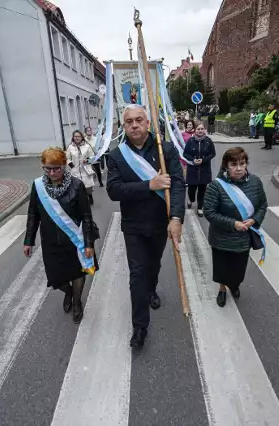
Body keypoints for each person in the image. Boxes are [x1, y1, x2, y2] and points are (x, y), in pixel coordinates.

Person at [106, 104, 185, 349]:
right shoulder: (117, 156)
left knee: (153, 265)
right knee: (137, 274)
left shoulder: (166, 150)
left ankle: (152, 289)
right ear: (124, 126)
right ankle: (140, 327)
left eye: (139, 120)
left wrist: (176, 218)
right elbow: (113, 190)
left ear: (148, 123)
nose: (134, 125)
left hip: (161, 222)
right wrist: (149, 185)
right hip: (134, 226)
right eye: (129, 121)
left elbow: (179, 185)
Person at [23, 148, 98, 324]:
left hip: (74, 241)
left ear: (64, 166)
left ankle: (77, 302)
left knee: (78, 274)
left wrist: (88, 244)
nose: (52, 172)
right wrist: (28, 240)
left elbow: (87, 216)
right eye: (47, 168)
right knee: (56, 279)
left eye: (56, 168)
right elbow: (33, 214)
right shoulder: (38, 186)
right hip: (50, 243)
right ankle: (69, 292)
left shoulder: (77, 185)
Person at [203, 147, 267, 307]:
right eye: (233, 164)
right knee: (222, 267)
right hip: (221, 238)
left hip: (243, 238)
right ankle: (222, 288)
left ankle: (235, 284)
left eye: (242, 163)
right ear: (225, 166)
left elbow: (263, 205)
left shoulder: (255, 182)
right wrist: (233, 224)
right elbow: (209, 212)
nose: (238, 168)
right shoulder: (215, 186)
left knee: (239, 268)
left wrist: (254, 220)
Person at [183, 122, 216, 217]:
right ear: (195, 130)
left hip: (204, 169)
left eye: (202, 129)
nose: (200, 131)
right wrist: (193, 160)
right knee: (191, 189)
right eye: (198, 129)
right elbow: (185, 154)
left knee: (202, 190)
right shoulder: (190, 141)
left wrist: (203, 160)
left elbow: (213, 154)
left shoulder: (208, 141)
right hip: (192, 169)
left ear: (204, 130)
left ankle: (200, 207)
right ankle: (191, 199)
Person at [66, 130, 96, 204]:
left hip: (85, 170)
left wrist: (87, 160)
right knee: (76, 187)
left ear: (82, 137)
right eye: (75, 136)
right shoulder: (70, 147)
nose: (77, 138)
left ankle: (90, 196)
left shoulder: (87, 146)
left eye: (78, 136)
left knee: (88, 187)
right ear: (73, 137)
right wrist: (71, 165)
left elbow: (93, 157)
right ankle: (80, 200)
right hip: (75, 170)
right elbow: (67, 158)